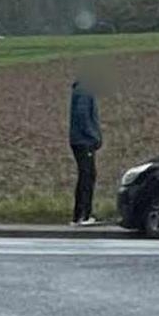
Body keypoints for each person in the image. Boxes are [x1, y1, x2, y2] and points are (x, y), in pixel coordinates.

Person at [69, 76, 102, 226]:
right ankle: (84, 215)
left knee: (85, 176)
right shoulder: (84, 92)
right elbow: (83, 117)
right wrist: (94, 136)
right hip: (84, 142)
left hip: (79, 140)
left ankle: (79, 215)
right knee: (87, 177)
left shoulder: (79, 91)